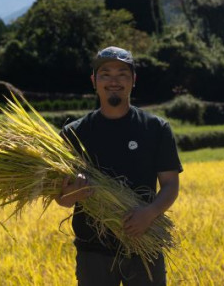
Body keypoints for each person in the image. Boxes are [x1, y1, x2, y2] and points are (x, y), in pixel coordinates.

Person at [55, 46, 183, 286]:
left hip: (144, 247)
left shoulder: (156, 129)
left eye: (122, 74)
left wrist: (149, 213)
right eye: (106, 74)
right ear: (94, 80)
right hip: (93, 253)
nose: (114, 81)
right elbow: (61, 198)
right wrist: (72, 194)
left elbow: (170, 185)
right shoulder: (73, 134)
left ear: (133, 80)